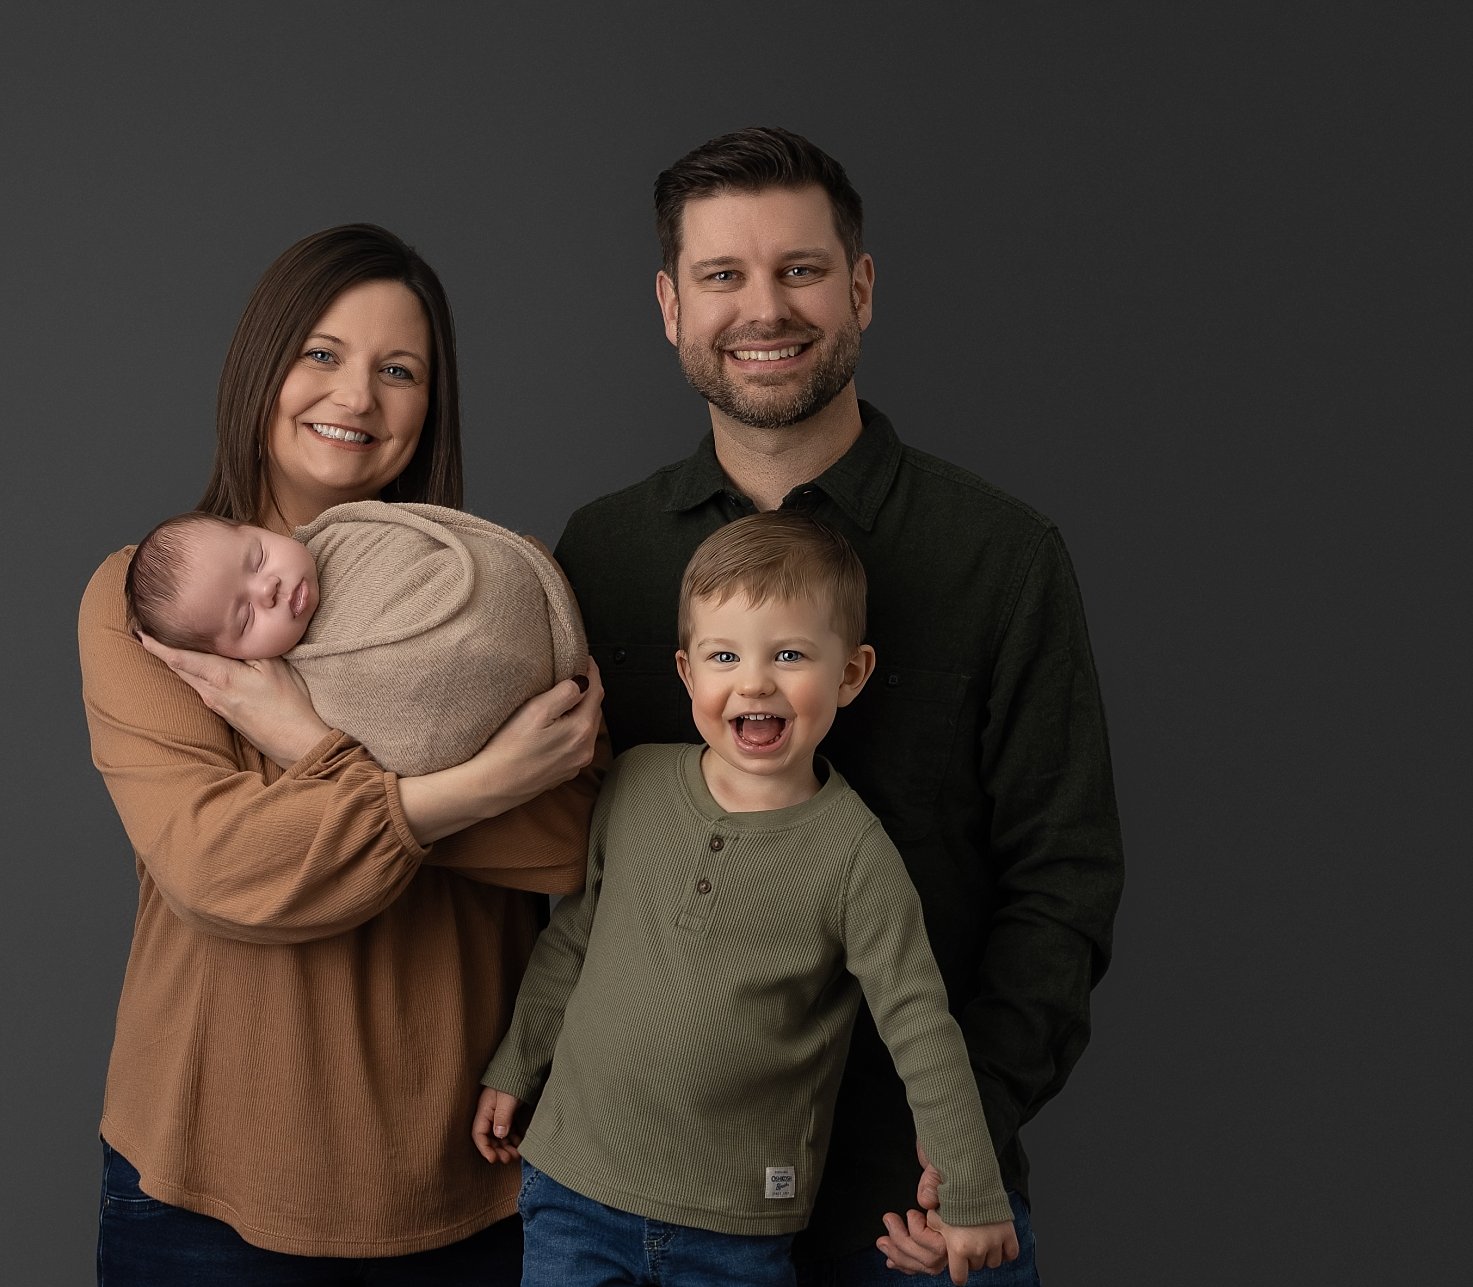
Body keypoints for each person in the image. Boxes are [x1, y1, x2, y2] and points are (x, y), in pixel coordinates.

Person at [553, 127, 1124, 1285]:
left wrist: (964, 1127)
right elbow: (574, 869)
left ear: (858, 287)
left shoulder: (999, 556)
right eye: (722, 276)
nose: (763, 309)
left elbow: (1063, 876)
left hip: (905, 1205)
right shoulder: (602, 554)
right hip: (653, 1204)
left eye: (800, 270)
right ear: (670, 305)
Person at [78, 223, 604, 1283]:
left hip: (461, 1176)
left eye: (397, 370)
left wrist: (305, 746)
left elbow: (565, 843)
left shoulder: (494, 593)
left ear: (430, 404)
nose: (356, 397)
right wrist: (475, 785)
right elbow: (219, 870)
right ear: (260, 365)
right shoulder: (144, 604)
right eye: (321, 354)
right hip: (200, 1181)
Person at [473, 512, 1019, 1287]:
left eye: (789, 654)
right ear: (688, 672)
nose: (754, 680)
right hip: (572, 1184)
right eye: (723, 654)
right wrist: (515, 1063)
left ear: (851, 673)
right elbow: (575, 936)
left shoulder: (855, 855)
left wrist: (971, 1189)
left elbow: (921, 1027)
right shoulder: (634, 782)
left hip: (734, 1222)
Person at [123, 499, 587, 775]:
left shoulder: (347, 534)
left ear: (260, 529)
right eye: (244, 618)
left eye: (258, 557)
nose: (270, 589)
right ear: (231, 659)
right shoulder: (292, 692)